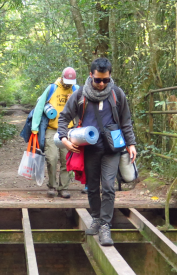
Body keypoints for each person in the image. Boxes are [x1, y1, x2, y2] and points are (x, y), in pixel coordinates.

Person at [58, 58, 136, 246]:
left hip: (112, 148)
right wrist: (64, 139)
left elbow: (126, 121)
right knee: (92, 186)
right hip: (89, 148)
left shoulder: (117, 94)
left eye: (106, 80)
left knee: (108, 186)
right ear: (91, 75)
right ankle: (96, 217)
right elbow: (63, 118)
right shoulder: (79, 95)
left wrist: (131, 144)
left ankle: (105, 226)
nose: (102, 84)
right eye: (98, 80)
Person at [31, 67, 79, 199]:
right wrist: (35, 127)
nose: (69, 84)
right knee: (51, 158)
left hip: (69, 131)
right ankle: (52, 186)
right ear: (62, 77)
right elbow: (40, 106)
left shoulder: (76, 90)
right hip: (51, 129)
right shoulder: (52, 88)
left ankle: (63, 188)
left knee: (66, 160)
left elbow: (83, 109)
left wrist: (73, 100)